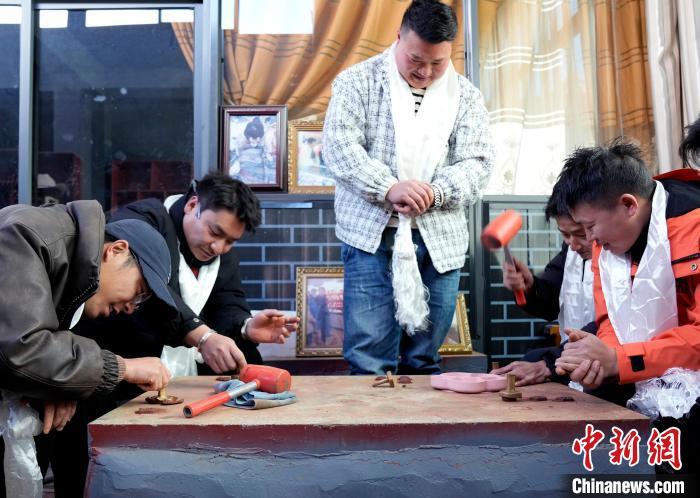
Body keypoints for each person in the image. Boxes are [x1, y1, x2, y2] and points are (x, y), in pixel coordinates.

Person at [324, 0, 493, 375]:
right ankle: (371, 416)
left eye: (438, 63)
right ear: (398, 37)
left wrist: (436, 193)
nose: (425, 71)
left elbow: (479, 163)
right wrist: (388, 188)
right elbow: (339, 148)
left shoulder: (466, 96)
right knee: (369, 359)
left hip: (440, 242)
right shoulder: (357, 82)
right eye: (416, 59)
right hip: (370, 237)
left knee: (424, 359)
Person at [0, 200, 177, 495]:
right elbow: (20, 349)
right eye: (139, 292)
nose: (131, 307)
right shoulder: (27, 234)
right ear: (116, 250)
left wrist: (58, 385)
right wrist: (122, 367)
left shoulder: (67, 276)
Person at [553, 139, 700, 474]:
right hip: (647, 367)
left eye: (590, 226)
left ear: (629, 205)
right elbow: (610, 322)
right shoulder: (609, 243)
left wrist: (618, 360)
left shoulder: (693, 226)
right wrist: (597, 360)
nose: (590, 239)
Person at [491, 185, 596, 386]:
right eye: (565, 234)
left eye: (581, 234)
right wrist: (529, 287)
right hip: (572, 362)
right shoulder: (572, 248)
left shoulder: (617, 250)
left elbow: (610, 325)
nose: (573, 245)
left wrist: (548, 362)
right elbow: (551, 301)